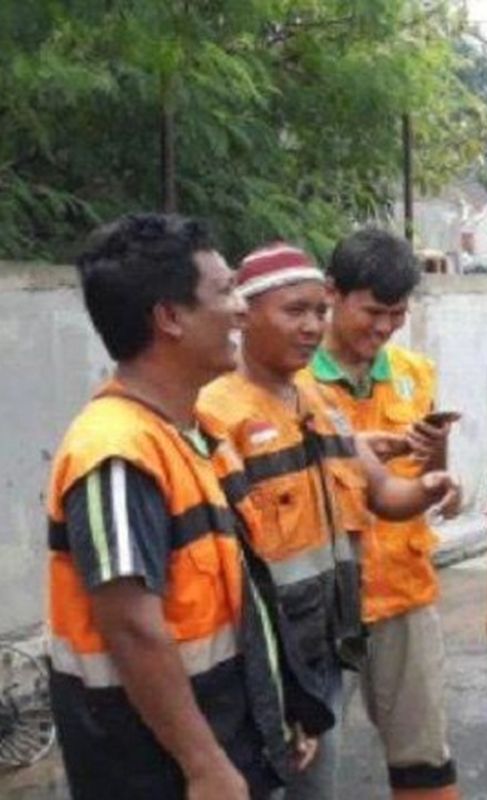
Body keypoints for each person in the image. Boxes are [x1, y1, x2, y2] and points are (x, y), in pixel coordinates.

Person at [45, 214, 329, 800]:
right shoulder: (116, 451)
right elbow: (130, 624)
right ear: (170, 318)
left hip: (224, 747)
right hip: (154, 773)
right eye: (225, 292)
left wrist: (278, 715)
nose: (241, 310)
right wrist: (204, 765)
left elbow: (238, 600)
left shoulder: (191, 436)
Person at [198, 242, 461, 800]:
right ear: (244, 316)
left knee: (402, 762)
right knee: (283, 776)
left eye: (316, 311)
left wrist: (435, 478)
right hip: (275, 642)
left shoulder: (317, 405)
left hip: (354, 617)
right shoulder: (215, 413)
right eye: (297, 312)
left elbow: (386, 492)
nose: (311, 326)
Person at [295, 228, 459, 799]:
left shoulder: (414, 372)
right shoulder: (290, 381)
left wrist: (442, 482)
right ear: (332, 293)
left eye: (398, 313)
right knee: (304, 759)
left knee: (423, 756)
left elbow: (429, 475)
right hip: (315, 600)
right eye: (373, 312)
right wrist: (355, 452)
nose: (385, 327)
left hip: (402, 588)